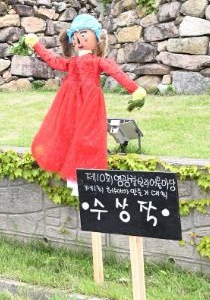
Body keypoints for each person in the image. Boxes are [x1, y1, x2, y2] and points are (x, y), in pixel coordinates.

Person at [24, 14, 146, 195]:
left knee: (87, 138)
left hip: (90, 103)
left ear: (96, 38)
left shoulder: (98, 62)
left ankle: (83, 180)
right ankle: (71, 174)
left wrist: (135, 89)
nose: (79, 39)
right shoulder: (72, 62)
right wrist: (37, 45)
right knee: (68, 133)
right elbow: (53, 61)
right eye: (75, 35)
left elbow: (116, 73)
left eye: (84, 34)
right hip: (69, 103)